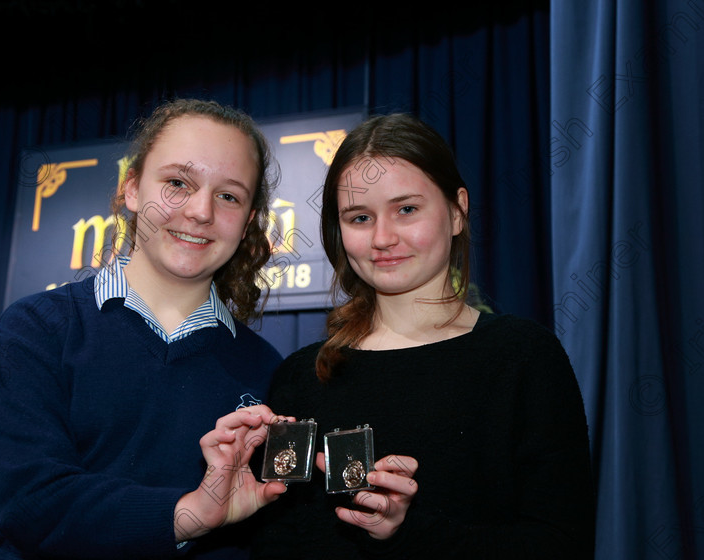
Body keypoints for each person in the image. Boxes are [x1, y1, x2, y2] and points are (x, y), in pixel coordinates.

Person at [250, 113, 596, 558]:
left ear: (457, 211)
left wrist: (407, 530)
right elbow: (274, 543)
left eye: (406, 209)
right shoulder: (302, 376)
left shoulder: (523, 357)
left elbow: (561, 544)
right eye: (359, 217)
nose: (382, 237)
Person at [0, 98, 293, 559]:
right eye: (177, 183)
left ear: (246, 223)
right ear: (132, 190)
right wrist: (187, 513)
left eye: (229, 196)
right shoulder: (35, 331)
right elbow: (31, 503)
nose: (201, 211)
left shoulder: (265, 370)